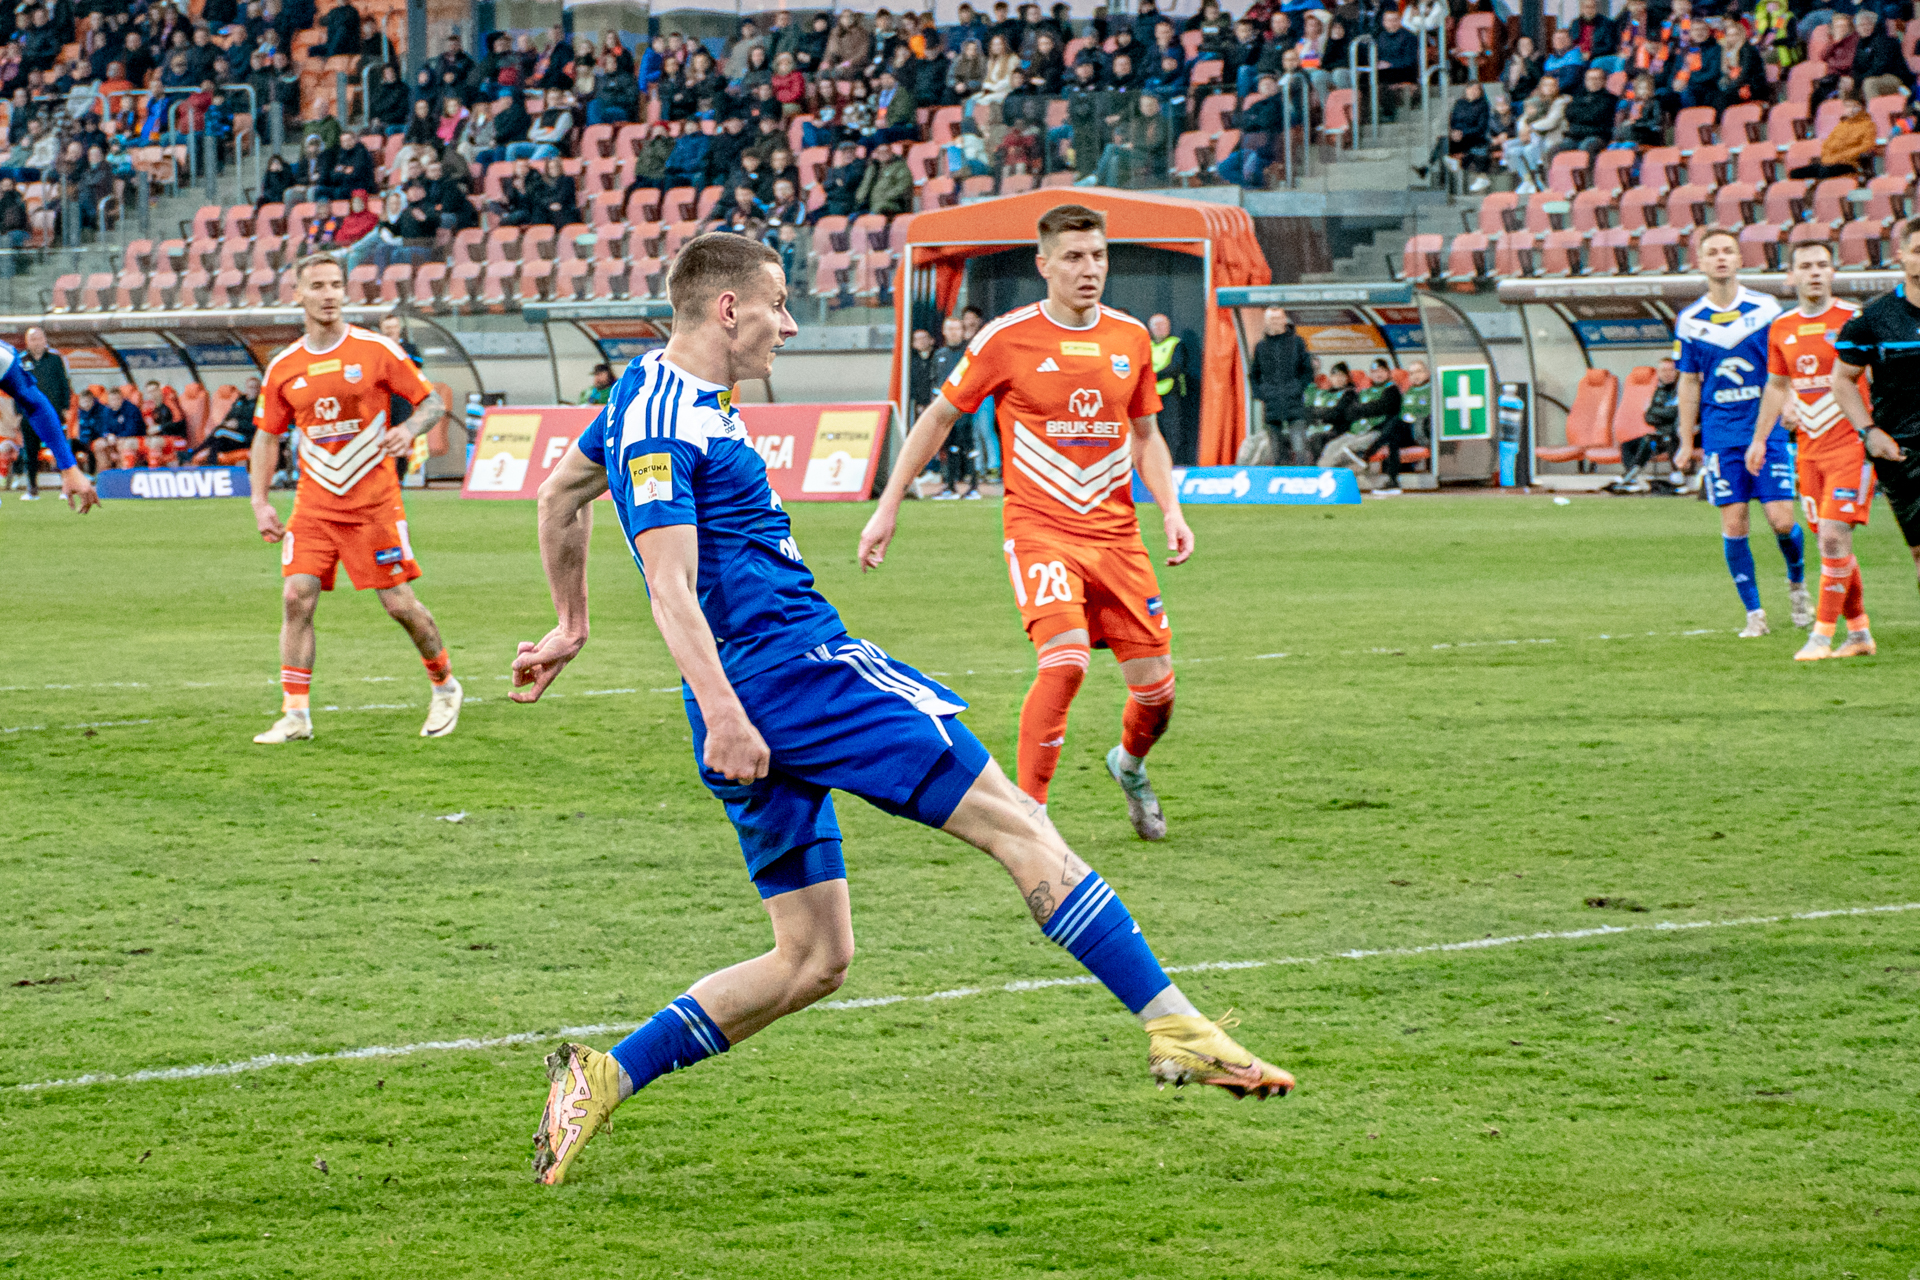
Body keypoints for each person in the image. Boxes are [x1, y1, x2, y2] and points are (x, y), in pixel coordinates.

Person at [513, 231, 1293, 1187]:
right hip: (800, 677)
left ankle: (603, 1075)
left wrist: (570, 625)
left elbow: (560, 494)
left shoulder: (645, 388)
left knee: (813, 960)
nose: (789, 325)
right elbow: (670, 585)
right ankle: (1176, 1027)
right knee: (1021, 825)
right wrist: (725, 712)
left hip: (754, 693)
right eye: (778, 305)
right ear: (727, 309)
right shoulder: (668, 420)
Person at [862, 204, 1193, 842]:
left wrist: (1171, 510)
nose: (1089, 269)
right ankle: (1030, 817)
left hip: (1118, 539)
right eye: (1073, 257)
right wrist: (889, 504)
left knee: (1157, 695)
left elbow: (1146, 435)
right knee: (1065, 661)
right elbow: (938, 418)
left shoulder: (1129, 338)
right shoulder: (1006, 338)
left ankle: (1129, 765)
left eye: (1097, 256)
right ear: (1044, 265)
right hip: (1040, 532)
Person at [246, 253, 458, 744]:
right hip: (313, 507)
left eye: (336, 285)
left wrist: (409, 428)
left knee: (399, 605)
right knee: (296, 597)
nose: (329, 295)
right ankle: (295, 715)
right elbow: (266, 436)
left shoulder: (376, 350)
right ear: (297, 295)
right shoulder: (283, 367)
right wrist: (260, 501)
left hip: (373, 505)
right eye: (318, 286)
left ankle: (445, 685)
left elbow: (430, 402)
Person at [1672, 226, 1808, 638]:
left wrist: (1791, 402)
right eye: (1712, 252)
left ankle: (1797, 584)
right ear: (1700, 262)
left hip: (1765, 429)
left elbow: (1783, 366)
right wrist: (1685, 440)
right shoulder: (1690, 321)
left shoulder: (1765, 309)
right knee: (1734, 524)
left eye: (1727, 251)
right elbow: (1689, 382)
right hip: (1720, 434)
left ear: (1739, 259)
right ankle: (1754, 614)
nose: (1720, 258)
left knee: (1781, 521)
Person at [1746, 241, 1875, 660]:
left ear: (1833, 272)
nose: (1814, 272)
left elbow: (1878, 377)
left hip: (1852, 445)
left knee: (1834, 538)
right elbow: (1777, 386)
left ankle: (1821, 636)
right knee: (1831, 543)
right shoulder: (1781, 327)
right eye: (1805, 266)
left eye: (1822, 264)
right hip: (1809, 452)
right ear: (1791, 276)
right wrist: (1760, 438)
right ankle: (1859, 633)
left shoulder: (1856, 319)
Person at [1830, 219, 1920, 615]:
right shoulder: (1873, 318)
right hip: (1903, 449)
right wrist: (1869, 431)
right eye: (1918, 251)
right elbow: (1842, 380)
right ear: (1901, 256)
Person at [0, 333, 96, 509]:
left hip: (47, 415)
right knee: (30, 453)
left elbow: (36, 406)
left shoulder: (3, 357)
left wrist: (69, 466)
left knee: (33, 451)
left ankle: (37, 487)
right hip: (27, 419)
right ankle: (32, 488)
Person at [1249, 306, 1314, 462]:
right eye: (1272, 319)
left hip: (1294, 404)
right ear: (1266, 322)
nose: (1275, 322)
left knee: (1300, 450)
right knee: (1276, 453)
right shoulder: (1260, 347)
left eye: (1278, 318)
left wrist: (1297, 388)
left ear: (1285, 320)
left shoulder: (1297, 342)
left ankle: (1302, 476)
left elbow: (1307, 371)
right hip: (1272, 406)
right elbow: (1254, 374)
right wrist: (1262, 394)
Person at [1616, 357, 1679, 490]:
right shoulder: (1659, 391)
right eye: (1663, 370)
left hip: (1677, 436)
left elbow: (1675, 414)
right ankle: (1632, 477)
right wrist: (1663, 413)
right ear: (1658, 373)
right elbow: (1648, 416)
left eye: (1670, 370)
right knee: (1628, 445)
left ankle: (1631, 475)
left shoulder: (1680, 389)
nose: (1667, 374)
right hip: (1660, 434)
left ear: (1676, 372)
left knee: (1649, 439)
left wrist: (1658, 413)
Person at [1147, 313, 1194, 465]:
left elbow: (1175, 367)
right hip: (1150, 394)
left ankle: (1172, 461)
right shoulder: (1147, 345)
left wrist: (1153, 375)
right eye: (1157, 326)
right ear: (1150, 328)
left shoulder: (1176, 344)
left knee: (1172, 430)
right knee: (1152, 430)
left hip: (1171, 394)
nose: (1161, 329)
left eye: (1164, 325)